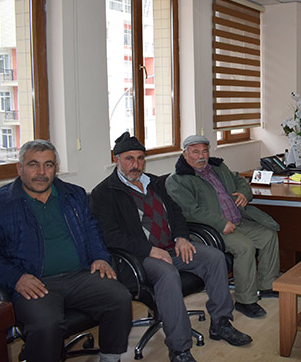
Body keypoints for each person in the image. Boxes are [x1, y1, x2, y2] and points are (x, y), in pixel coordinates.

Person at [90, 133, 252, 362]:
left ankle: (221, 323)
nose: (135, 164)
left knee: (215, 258)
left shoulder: (155, 182)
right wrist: (149, 250)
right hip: (138, 257)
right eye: (129, 159)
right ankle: (180, 349)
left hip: (171, 248)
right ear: (117, 160)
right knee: (167, 273)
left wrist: (181, 237)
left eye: (140, 158)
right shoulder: (104, 193)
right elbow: (110, 235)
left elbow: (176, 213)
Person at [0, 140, 132, 362]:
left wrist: (100, 257)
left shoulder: (73, 195)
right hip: (34, 281)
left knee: (120, 298)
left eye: (48, 165)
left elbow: (92, 231)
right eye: (33, 164)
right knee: (46, 323)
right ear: (19, 168)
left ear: (55, 168)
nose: (41, 172)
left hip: (79, 275)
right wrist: (16, 278)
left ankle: (110, 358)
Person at [166, 135, 280, 319]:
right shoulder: (178, 180)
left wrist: (243, 193)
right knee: (245, 247)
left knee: (268, 235)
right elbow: (189, 211)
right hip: (212, 229)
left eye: (204, 151)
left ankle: (267, 285)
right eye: (195, 152)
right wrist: (220, 223)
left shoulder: (218, 167)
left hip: (238, 220)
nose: (201, 156)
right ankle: (245, 300)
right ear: (185, 154)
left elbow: (239, 180)